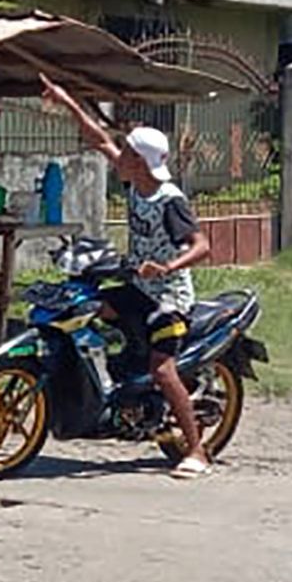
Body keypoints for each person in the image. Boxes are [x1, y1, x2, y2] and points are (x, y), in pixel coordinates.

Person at [41, 75, 214, 480]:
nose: (121, 154)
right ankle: (113, 386)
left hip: (168, 298)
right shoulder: (133, 181)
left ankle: (196, 451)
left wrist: (167, 267)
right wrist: (67, 101)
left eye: (129, 152)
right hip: (137, 286)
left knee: (163, 371)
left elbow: (203, 246)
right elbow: (98, 138)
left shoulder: (169, 201)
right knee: (83, 309)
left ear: (141, 161)